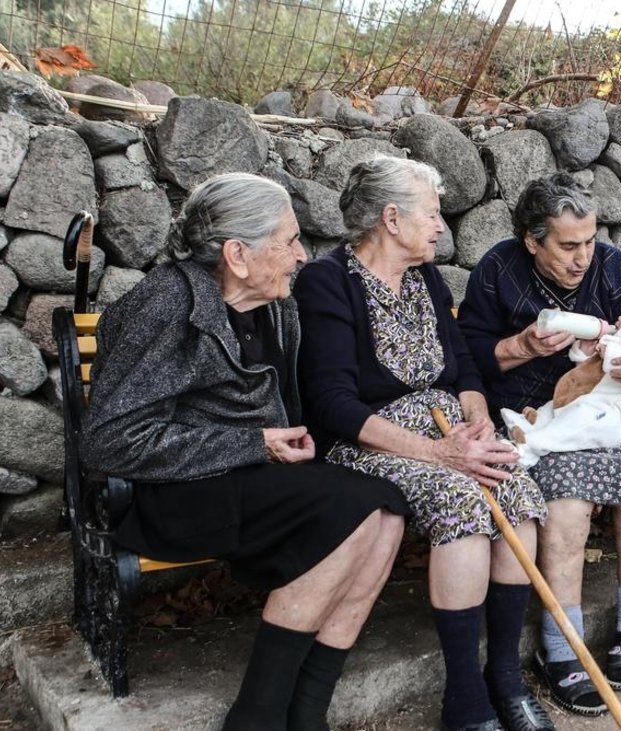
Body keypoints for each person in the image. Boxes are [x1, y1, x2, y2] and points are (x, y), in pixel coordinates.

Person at [80, 172, 410, 731]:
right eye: (288, 241)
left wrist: (283, 439)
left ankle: (308, 711)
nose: (302, 255)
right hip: (174, 493)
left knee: (386, 509)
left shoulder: (273, 304)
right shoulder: (166, 305)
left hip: (248, 478)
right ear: (237, 253)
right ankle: (257, 716)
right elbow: (108, 442)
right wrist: (253, 442)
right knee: (348, 511)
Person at [293, 156, 552, 731]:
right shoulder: (327, 281)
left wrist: (478, 421)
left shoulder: (426, 277)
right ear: (391, 217)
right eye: (431, 214)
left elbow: (462, 366)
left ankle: (504, 679)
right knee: (462, 498)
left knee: (515, 489)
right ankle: (464, 697)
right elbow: (333, 405)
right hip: (370, 442)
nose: (441, 226)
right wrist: (439, 453)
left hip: (446, 428)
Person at [458, 173, 621, 716]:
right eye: (567, 245)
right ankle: (562, 650)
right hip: (535, 421)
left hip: (611, 413)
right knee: (566, 500)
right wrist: (522, 345)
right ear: (533, 241)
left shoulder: (614, 267)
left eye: (589, 240)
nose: (583, 257)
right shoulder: (498, 270)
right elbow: (466, 357)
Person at [501, 287, 621, 468]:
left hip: (611, 417)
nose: (620, 317)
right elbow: (589, 370)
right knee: (555, 408)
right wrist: (584, 351)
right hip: (586, 398)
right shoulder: (618, 340)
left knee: (579, 419)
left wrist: (608, 350)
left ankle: (531, 447)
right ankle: (528, 425)